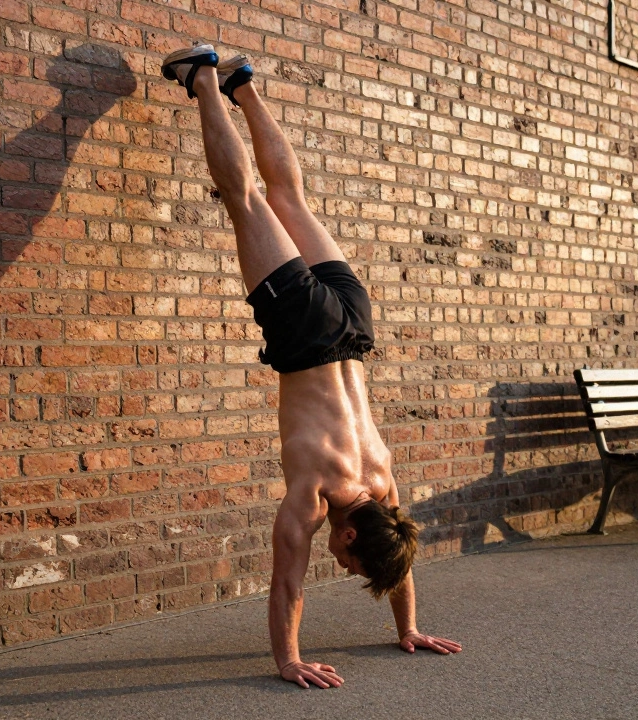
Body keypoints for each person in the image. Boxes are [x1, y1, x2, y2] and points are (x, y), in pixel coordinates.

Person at [161, 43, 464, 689]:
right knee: (243, 198)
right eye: (351, 566)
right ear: (351, 538)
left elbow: (401, 559)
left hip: (355, 327)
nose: (341, 566)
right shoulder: (316, 496)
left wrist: (407, 628)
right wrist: (287, 660)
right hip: (302, 330)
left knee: (288, 195)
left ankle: (244, 86)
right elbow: (287, 582)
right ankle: (204, 78)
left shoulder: (384, 487)